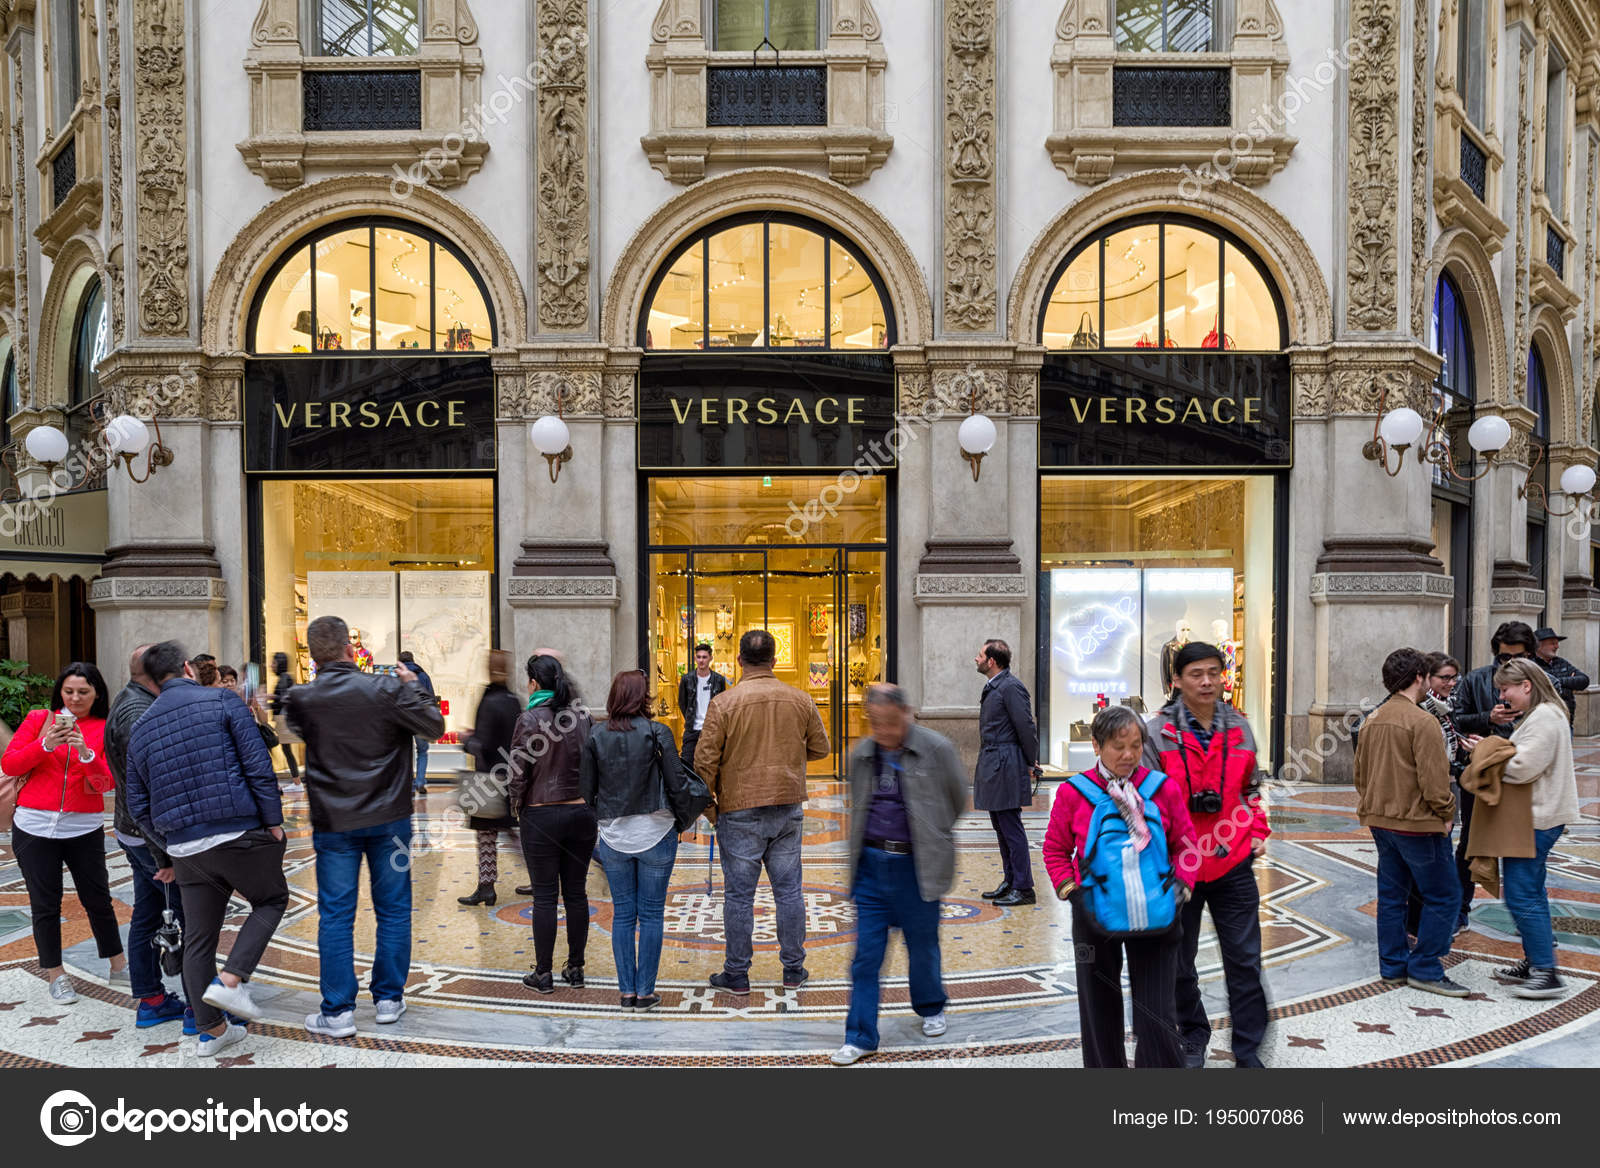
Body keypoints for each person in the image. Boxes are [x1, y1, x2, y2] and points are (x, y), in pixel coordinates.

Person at [125, 643, 288, 1058]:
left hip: (184, 846)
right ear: (187, 668)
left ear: (151, 679)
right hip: (236, 830)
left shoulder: (141, 727)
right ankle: (231, 981)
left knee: (199, 939)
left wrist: (168, 850)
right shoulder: (223, 701)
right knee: (271, 899)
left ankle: (211, 1032)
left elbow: (137, 805)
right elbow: (257, 765)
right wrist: (273, 820)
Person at [288, 616, 445, 1037]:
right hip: (389, 817)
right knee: (393, 909)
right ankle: (389, 999)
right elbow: (434, 726)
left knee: (336, 915)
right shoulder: (386, 689)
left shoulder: (304, 698)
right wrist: (413, 685)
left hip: (334, 821)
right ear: (349, 649)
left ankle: (337, 1011)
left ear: (314, 655)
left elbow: (301, 727)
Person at [1045, 705, 1198, 1068]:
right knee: (1098, 1008)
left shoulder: (1161, 788)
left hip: (1157, 912)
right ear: (1096, 746)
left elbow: (1187, 845)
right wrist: (1072, 892)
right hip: (1093, 914)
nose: (1129, 755)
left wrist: (1182, 886)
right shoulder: (1073, 793)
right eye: (1118, 746)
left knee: (1158, 1014)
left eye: (1136, 745)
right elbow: (1054, 849)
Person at [1141, 641, 1271, 1068]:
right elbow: (1145, 800)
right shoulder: (1157, 732)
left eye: (1214, 672)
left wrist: (1256, 830)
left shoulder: (1240, 727)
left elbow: (1251, 789)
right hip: (1179, 866)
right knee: (1179, 962)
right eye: (1196, 674)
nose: (1207, 681)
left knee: (1245, 961)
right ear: (1177, 680)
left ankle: (1248, 1050)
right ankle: (1192, 1034)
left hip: (1232, 861)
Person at [831, 684, 968, 1066]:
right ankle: (859, 1036)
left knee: (922, 946)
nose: (884, 731)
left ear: (906, 713)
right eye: (876, 723)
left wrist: (930, 834)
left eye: (890, 723)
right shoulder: (862, 754)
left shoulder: (936, 749)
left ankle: (931, 1006)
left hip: (916, 866)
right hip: (872, 868)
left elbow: (957, 799)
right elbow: (857, 806)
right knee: (866, 956)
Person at [695, 629, 829, 994]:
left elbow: (704, 763)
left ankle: (737, 973)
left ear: (739, 660)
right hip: (787, 807)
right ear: (774, 660)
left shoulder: (723, 704)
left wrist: (711, 809)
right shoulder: (800, 699)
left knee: (739, 896)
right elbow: (821, 748)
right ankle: (793, 969)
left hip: (738, 809)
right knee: (789, 892)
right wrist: (788, 756)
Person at [1, 663, 126, 1004]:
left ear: (97, 694)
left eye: (83, 692)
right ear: (60, 692)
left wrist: (85, 753)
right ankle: (56, 975)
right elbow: (10, 764)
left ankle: (119, 965)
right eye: (68, 691)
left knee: (98, 899)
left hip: (83, 828)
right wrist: (44, 744)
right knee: (45, 903)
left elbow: (105, 783)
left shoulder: (105, 728)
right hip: (33, 827)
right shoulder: (39, 719)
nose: (75, 698)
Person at [580, 669, 701, 1010]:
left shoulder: (595, 734)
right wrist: (682, 821)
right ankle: (645, 991)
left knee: (622, 914)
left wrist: (605, 818)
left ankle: (626, 992)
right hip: (656, 832)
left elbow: (586, 790)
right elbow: (678, 783)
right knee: (651, 915)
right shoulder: (658, 732)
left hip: (614, 836)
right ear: (642, 698)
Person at [1352, 648, 1465, 997]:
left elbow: (1359, 775)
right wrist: (1447, 812)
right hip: (1418, 823)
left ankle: (1393, 965)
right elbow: (1435, 782)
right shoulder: (1422, 721)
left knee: (1392, 896)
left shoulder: (1372, 719)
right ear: (1419, 677)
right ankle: (1426, 968)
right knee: (1445, 895)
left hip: (1380, 821)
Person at [103, 643, 188, 1029]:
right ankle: (199, 1009)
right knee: (189, 915)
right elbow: (148, 791)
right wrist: (164, 858)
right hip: (149, 836)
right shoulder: (139, 713)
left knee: (148, 912)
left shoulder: (133, 700)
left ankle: (151, 999)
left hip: (135, 832)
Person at [1492, 657, 1581, 1000]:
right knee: (1531, 890)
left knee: (1521, 893)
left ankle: (1546, 972)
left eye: (1506, 689)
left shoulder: (1544, 716)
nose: (1503, 696)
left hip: (1536, 819)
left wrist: (1486, 754)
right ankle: (1536, 962)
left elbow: (1522, 767)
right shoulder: (1545, 713)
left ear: (1526, 685)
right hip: (1537, 817)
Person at [508, 654, 595, 993]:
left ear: (534, 683)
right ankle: (575, 968)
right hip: (581, 814)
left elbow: (517, 772)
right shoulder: (582, 717)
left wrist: (517, 805)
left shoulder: (529, 718)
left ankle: (542, 973)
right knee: (576, 893)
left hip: (541, 814)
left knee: (544, 896)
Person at [1450, 621, 1537, 930]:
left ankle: (1533, 924)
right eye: (1504, 657)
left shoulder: (1543, 684)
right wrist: (1488, 718)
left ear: (1530, 655)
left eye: (1519, 656)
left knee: (1525, 850)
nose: (1510, 663)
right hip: (1483, 774)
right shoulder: (1475, 679)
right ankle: (1459, 911)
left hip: (1523, 777)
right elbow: (1455, 720)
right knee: (1470, 843)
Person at [973, 639, 1040, 907]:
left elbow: (1026, 726)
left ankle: (1024, 887)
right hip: (995, 761)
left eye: (980, 655)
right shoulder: (995, 686)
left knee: (1011, 827)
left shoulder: (1011, 687)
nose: (976, 659)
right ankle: (1011, 880)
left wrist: (1031, 761)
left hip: (1006, 762)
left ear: (992, 661)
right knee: (1001, 826)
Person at [458, 650, 524, 906]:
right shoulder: (513, 700)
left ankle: (486, 887)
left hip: (487, 781)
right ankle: (543, 877)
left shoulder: (489, 701)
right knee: (510, 832)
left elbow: (482, 745)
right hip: (508, 778)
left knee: (486, 836)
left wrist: (466, 739)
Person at [676, 642, 727, 773]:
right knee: (687, 765)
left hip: (712, 730)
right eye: (698, 657)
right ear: (695, 658)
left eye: (704, 657)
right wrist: (690, 719)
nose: (701, 660)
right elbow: (682, 703)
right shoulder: (686, 679)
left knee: (711, 767)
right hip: (692, 729)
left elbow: (722, 704)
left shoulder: (719, 680)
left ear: (710, 658)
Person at [398, 651, 437, 793]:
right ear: (413, 660)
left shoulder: (397, 676)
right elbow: (430, 699)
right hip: (420, 721)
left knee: (405, 753)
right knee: (422, 751)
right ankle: (420, 783)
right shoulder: (424, 676)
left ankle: (408, 784)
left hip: (404, 721)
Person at [1532, 627, 1589, 721]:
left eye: (1557, 643)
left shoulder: (1561, 662)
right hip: (1541, 720)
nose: (1557, 646)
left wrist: (1556, 681)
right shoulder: (1531, 664)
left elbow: (1584, 680)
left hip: (1566, 719)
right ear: (1539, 646)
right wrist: (1569, 683)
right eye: (1553, 643)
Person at [269, 651, 303, 787]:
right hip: (285, 720)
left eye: (274, 663)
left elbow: (283, 699)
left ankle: (297, 781)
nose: (271, 665)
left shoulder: (284, 678)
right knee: (286, 750)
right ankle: (297, 781)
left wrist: (270, 698)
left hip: (284, 721)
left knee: (286, 750)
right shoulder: (285, 678)